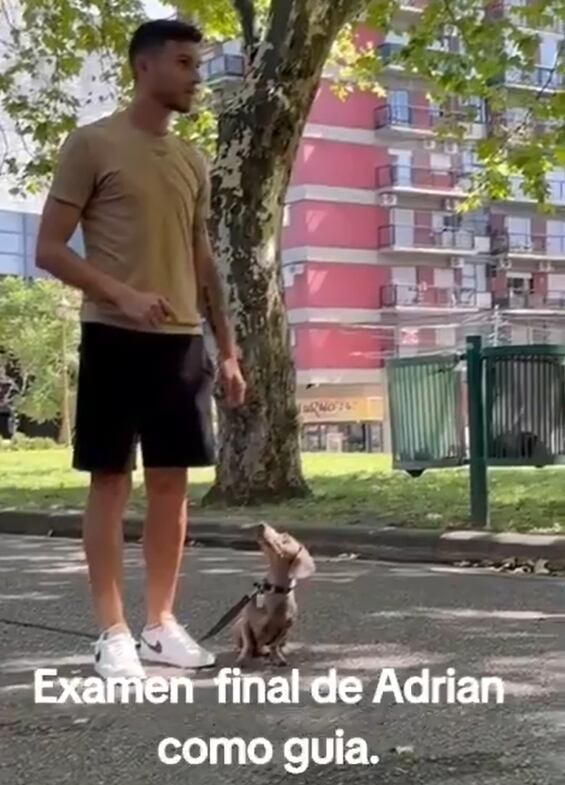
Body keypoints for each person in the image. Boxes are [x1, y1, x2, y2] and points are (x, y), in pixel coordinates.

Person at [35, 18, 246, 679]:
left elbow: (202, 258)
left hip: (181, 342)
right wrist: (119, 293)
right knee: (110, 479)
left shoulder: (192, 160)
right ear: (144, 68)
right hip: (114, 333)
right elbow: (48, 249)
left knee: (171, 484)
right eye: (184, 63)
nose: (194, 78)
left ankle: (159, 624)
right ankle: (112, 631)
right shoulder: (91, 144)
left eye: (196, 64)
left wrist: (229, 347)